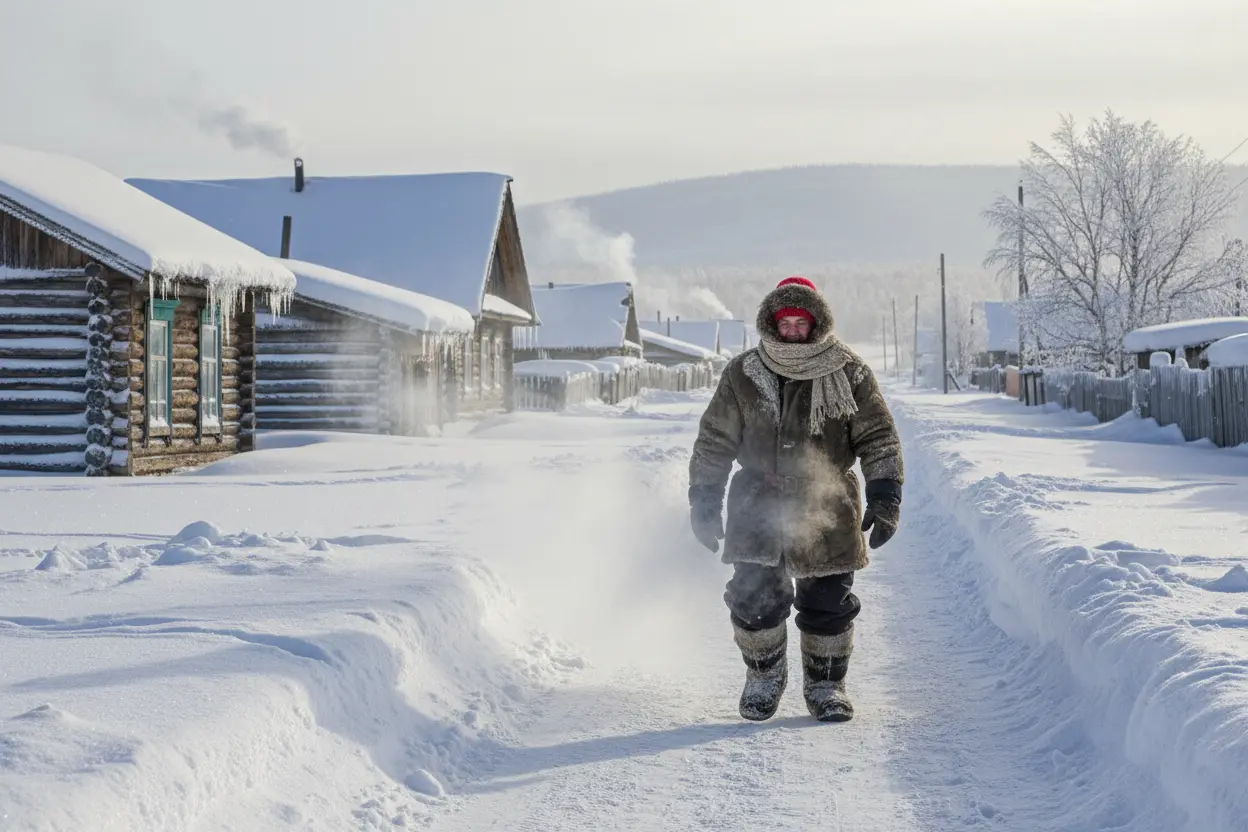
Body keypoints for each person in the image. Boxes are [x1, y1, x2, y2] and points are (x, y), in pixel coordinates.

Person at [687, 276, 903, 722]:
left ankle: (826, 686)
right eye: (783, 322)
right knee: (752, 599)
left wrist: (885, 497)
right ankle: (764, 677)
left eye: (800, 321)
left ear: (816, 323)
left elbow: (878, 438)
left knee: (828, 602)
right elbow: (714, 441)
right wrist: (704, 501)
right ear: (771, 322)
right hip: (756, 506)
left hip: (828, 507)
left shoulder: (849, 371)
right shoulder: (744, 373)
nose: (791, 330)